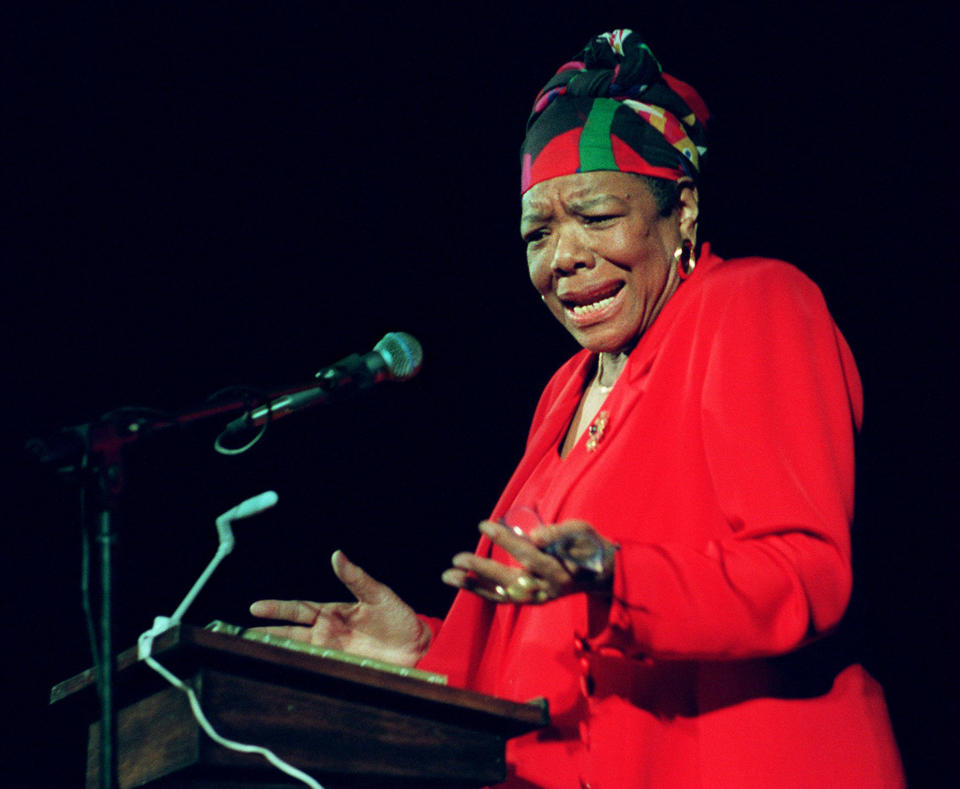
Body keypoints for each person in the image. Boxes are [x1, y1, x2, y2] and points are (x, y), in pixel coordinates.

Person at [250, 30, 905, 788]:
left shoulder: (753, 303)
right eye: (538, 231)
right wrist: (423, 652)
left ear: (682, 210)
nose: (562, 256)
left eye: (594, 217)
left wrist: (615, 572)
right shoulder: (566, 389)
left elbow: (804, 572)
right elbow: (552, 635)